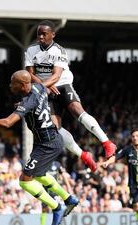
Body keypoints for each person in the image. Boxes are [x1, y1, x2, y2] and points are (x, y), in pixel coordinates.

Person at [0, 70, 79, 225]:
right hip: (45, 141)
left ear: (23, 85)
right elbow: (44, 87)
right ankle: (69, 198)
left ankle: (56, 206)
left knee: (25, 181)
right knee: (38, 175)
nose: (10, 85)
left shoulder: (28, 101)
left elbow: (7, 122)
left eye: (13, 83)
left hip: (48, 144)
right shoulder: (38, 87)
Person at [25, 19, 117, 170]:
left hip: (62, 85)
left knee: (76, 109)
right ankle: (84, 155)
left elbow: (56, 76)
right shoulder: (31, 50)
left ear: (52, 35)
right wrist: (44, 86)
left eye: (44, 34)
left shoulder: (59, 51)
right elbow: (29, 74)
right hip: (45, 89)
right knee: (54, 128)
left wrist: (46, 84)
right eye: (38, 34)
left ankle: (107, 143)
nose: (40, 37)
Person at [101, 127, 138, 225]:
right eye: (133, 136)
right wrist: (108, 162)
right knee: (137, 208)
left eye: (137, 136)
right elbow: (115, 157)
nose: (135, 138)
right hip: (133, 184)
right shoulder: (127, 150)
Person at [40, 161, 71, 225]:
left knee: (57, 208)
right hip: (45, 191)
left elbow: (63, 175)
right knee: (44, 209)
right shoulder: (43, 163)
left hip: (54, 191)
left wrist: (68, 186)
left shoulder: (57, 164)